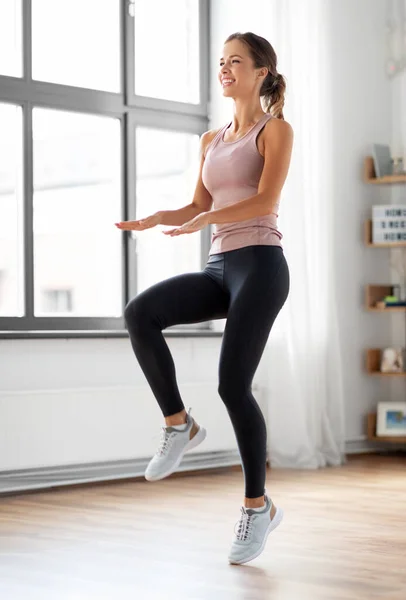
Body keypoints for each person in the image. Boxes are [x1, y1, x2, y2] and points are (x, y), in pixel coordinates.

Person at [115, 31, 293, 565]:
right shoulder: (211, 141)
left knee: (232, 384)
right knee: (140, 313)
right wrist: (157, 218)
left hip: (260, 265)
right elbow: (198, 202)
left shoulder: (275, 129)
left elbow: (264, 199)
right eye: (221, 62)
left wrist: (206, 217)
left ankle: (257, 507)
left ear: (261, 72)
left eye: (235, 61)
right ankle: (178, 423)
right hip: (220, 267)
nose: (225, 69)